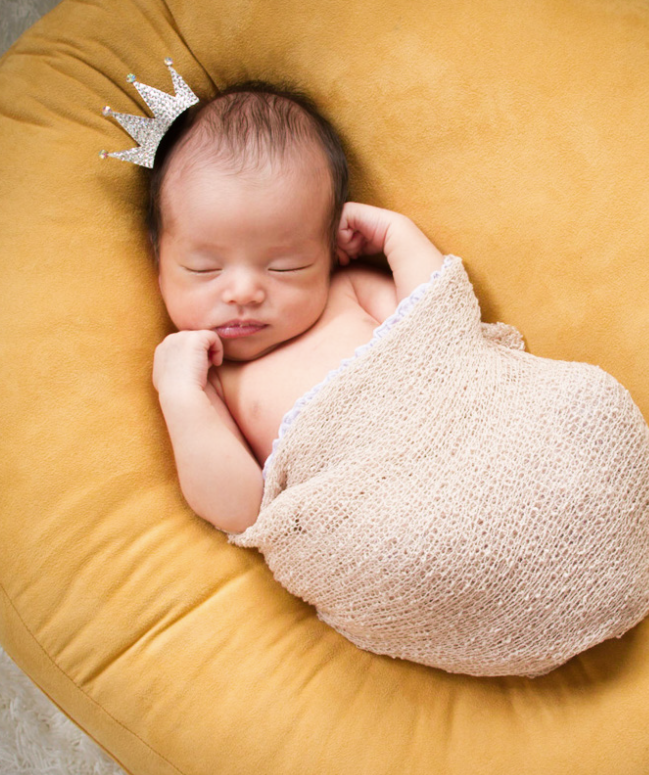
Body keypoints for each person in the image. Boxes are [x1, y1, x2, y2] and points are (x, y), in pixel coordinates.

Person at [150, 83, 444, 534]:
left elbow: (440, 325)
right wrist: (178, 394)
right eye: (204, 269)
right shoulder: (210, 382)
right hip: (383, 525)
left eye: (285, 267)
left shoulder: (347, 293)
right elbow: (239, 510)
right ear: (159, 268)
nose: (244, 292)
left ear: (331, 254)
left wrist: (395, 235)